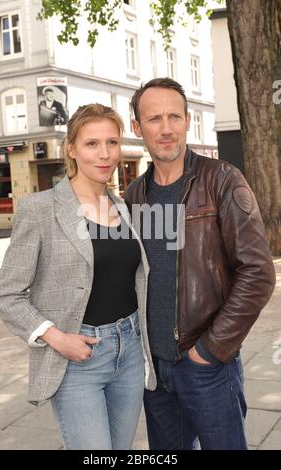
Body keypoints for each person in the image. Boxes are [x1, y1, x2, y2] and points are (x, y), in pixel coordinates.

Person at [123, 77, 276, 450]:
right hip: (155, 376)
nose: (166, 128)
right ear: (136, 126)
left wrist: (209, 350)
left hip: (208, 367)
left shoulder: (221, 180)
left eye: (175, 116)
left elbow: (258, 272)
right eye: (154, 118)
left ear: (188, 120)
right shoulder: (132, 196)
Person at [0, 103, 156, 450]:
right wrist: (55, 337)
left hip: (128, 353)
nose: (104, 154)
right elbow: (8, 295)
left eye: (112, 143)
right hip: (77, 359)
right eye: (92, 144)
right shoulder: (40, 209)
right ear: (71, 148)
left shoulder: (123, 206)